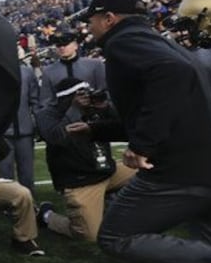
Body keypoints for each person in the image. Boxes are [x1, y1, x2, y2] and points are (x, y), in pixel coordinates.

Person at [82, 0, 211, 263]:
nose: (87, 27)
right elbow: (166, 103)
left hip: (181, 170)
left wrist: (142, 144)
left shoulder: (123, 40)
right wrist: (96, 129)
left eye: (90, 20)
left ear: (108, 18)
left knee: (115, 236)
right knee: (207, 246)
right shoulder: (157, 41)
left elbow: (173, 74)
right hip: (204, 162)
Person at [36, 78, 136, 241]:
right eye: (80, 93)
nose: (86, 97)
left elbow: (124, 125)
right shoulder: (49, 115)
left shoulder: (93, 110)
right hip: (81, 181)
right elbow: (55, 137)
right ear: (67, 97)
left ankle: (117, 205)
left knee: (150, 166)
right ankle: (46, 215)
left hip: (107, 171)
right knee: (89, 234)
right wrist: (75, 108)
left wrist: (105, 107)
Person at [0, 61, 40, 191]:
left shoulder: (27, 72)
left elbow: (35, 100)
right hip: (3, 132)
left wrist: (35, 123)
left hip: (25, 129)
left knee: (27, 172)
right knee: (5, 172)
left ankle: (29, 203)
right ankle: (7, 204)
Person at [39, 30, 105, 110]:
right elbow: (47, 102)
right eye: (58, 45)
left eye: (65, 44)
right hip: (65, 118)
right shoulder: (48, 72)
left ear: (75, 45)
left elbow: (105, 90)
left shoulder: (95, 64)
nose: (62, 48)